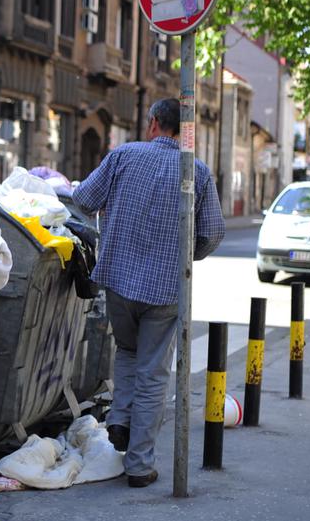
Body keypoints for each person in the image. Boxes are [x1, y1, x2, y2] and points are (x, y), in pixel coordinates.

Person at [73, 98, 225, 488]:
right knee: (154, 371)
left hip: (119, 279)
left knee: (127, 351)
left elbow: (84, 199)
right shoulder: (199, 171)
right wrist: (184, 255)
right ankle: (139, 464)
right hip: (165, 288)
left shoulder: (123, 155)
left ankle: (121, 420)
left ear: (155, 122)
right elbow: (212, 233)